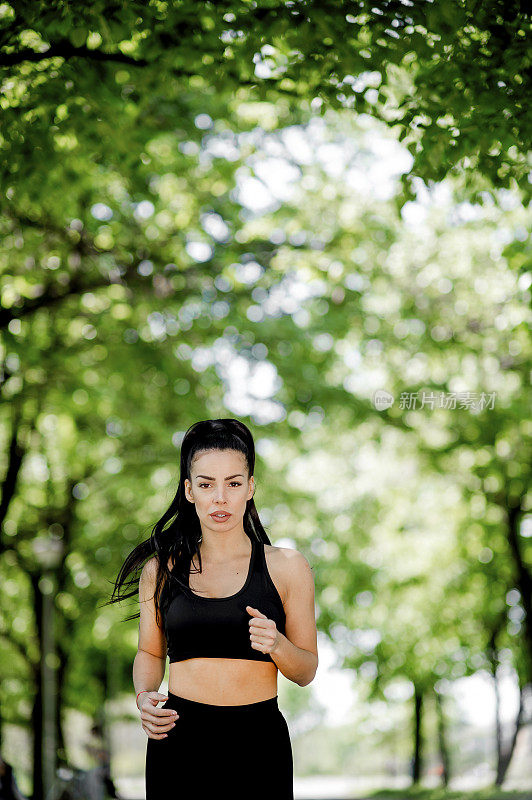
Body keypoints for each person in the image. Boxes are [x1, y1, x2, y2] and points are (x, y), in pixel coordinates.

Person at [106, 418, 318, 799]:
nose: (220, 498)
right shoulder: (161, 569)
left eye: (234, 483)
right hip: (179, 741)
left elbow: (305, 671)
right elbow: (149, 652)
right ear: (189, 491)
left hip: (258, 744)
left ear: (250, 487)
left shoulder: (288, 566)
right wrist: (143, 697)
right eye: (206, 484)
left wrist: (278, 645)